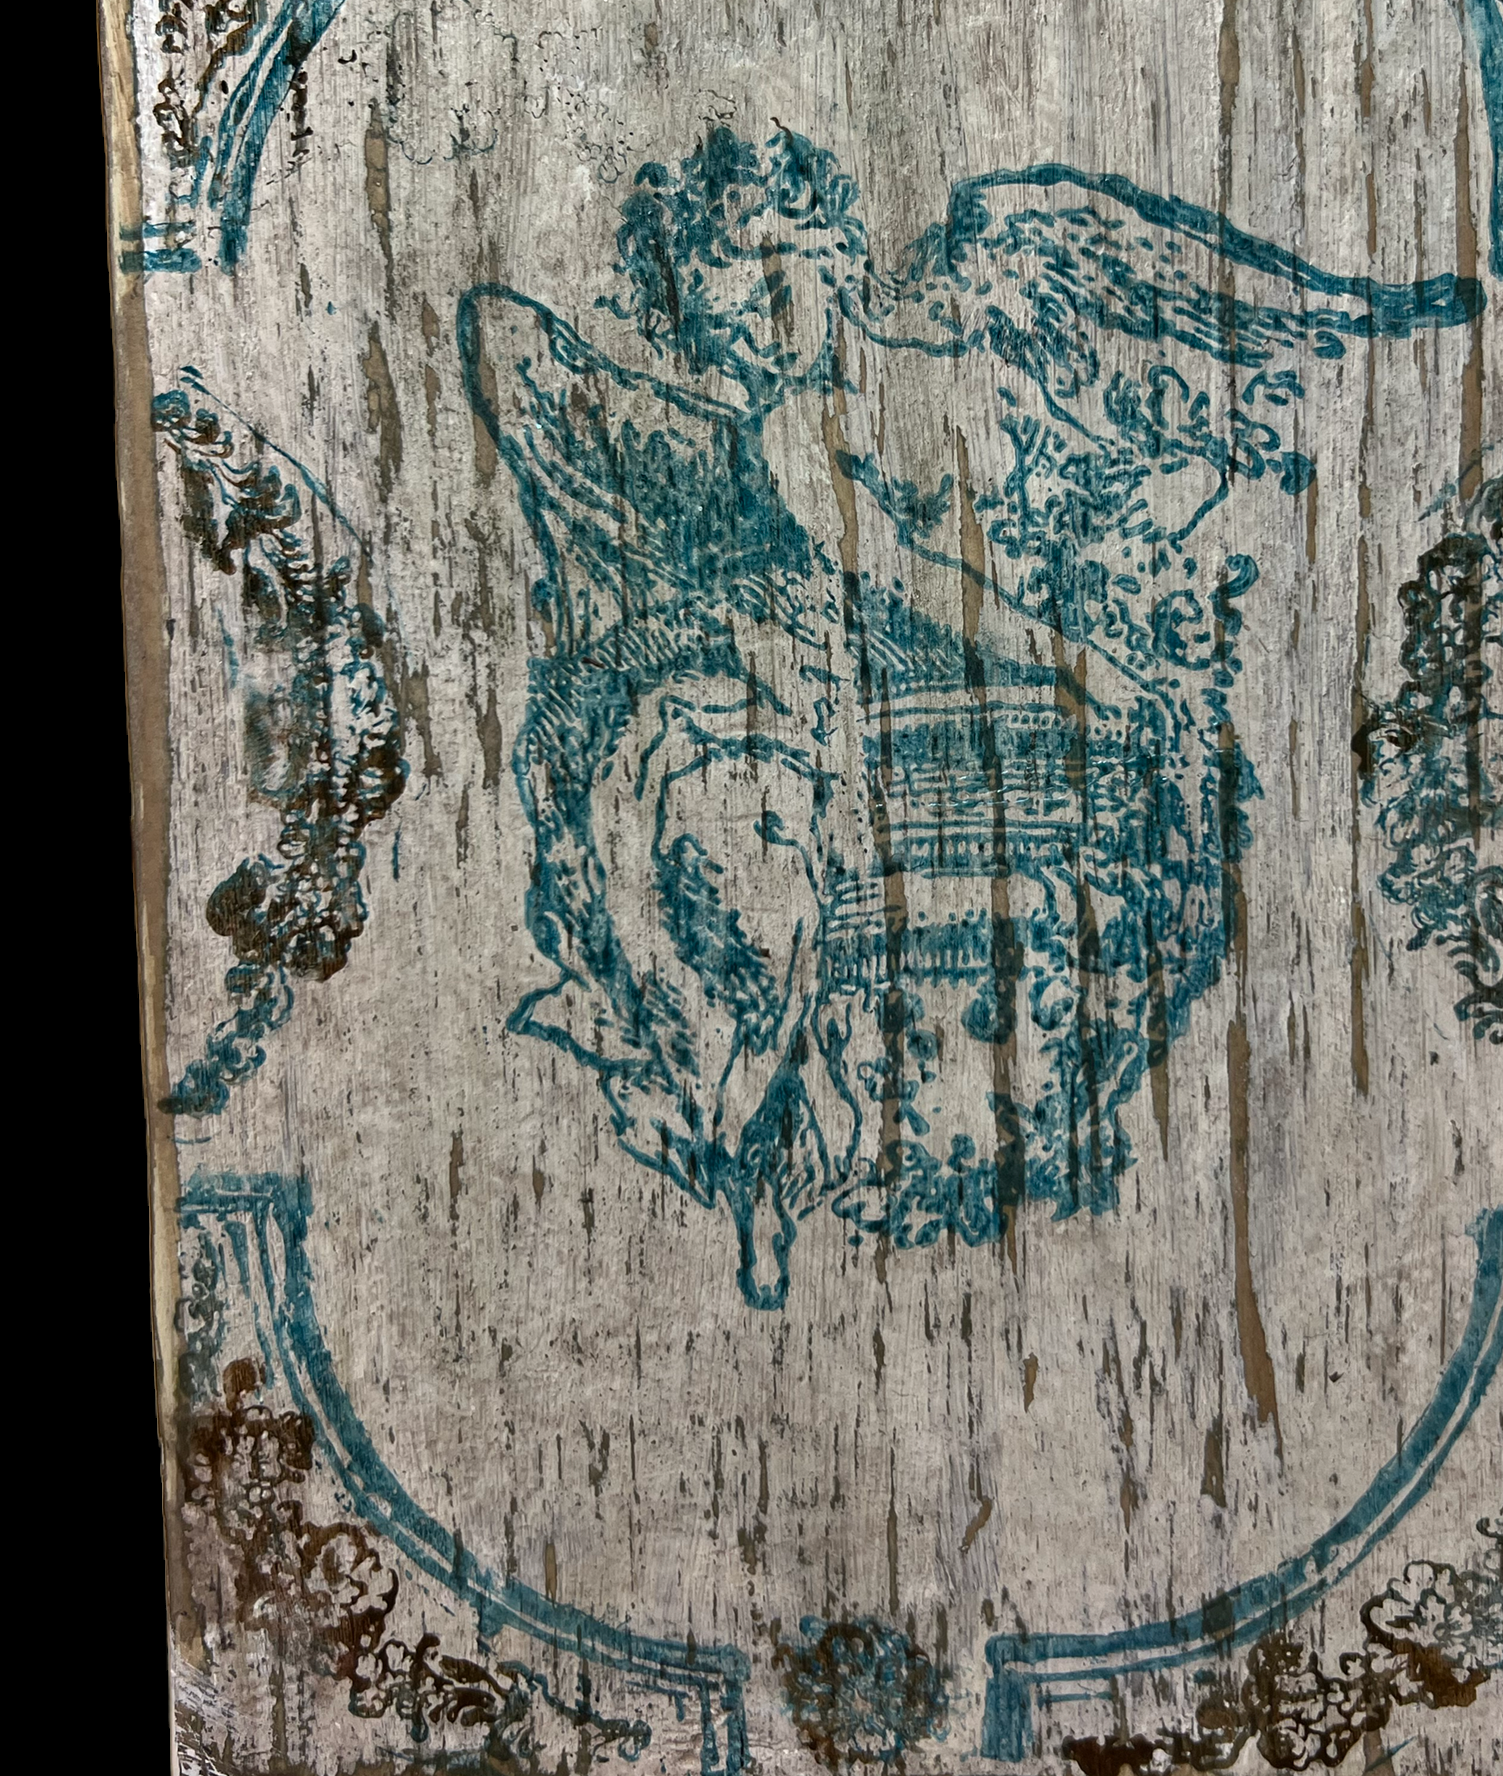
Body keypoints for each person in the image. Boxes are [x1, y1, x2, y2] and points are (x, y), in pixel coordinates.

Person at [461, 122, 1410, 1308]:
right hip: (781, 666)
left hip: (861, 671)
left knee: (752, 806)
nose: (754, 326)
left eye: (776, 285)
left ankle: (754, 1120)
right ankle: (736, 1111)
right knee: (666, 788)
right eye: (728, 300)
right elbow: (498, 332)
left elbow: (935, 580)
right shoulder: (743, 416)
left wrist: (1093, 677)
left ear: (834, 260)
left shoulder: (881, 376)